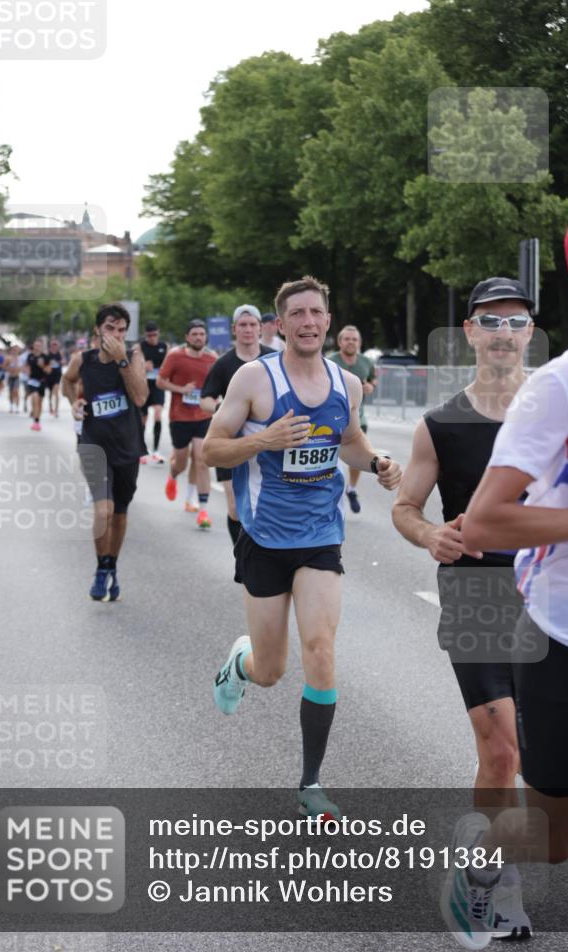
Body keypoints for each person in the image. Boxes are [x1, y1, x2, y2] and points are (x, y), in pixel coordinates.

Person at [440, 195, 568, 949]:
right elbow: (484, 523)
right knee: (551, 836)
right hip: (563, 638)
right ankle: (480, 871)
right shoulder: (563, 387)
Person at [203, 276, 402, 819]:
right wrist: (262, 440)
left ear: (327, 320)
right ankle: (239, 664)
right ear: (280, 323)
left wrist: (379, 463)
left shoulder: (346, 384)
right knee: (272, 669)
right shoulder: (253, 379)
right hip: (264, 538)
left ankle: (311, 782)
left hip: (320, 537)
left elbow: (350, 444)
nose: (309, 322)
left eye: (317, 312)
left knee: (320, 648)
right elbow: (212, 451)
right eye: (298, 314)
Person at [393, 278, 536, 942]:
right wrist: (429, 535)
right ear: (470, 333)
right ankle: (493, 888)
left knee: (536, 756)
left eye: (515, 321)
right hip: (475, 596)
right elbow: (404, 507)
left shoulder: (557, 416)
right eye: (490, 322)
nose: (503, 333)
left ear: (529, 333)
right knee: (502, 753)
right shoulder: (441, 423)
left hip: (552, 600)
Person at [62, 304, 148, 602]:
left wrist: (123, 360)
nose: (116, 334)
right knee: (104, 510)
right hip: (93, 443)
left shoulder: (133, 357)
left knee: (120, 513)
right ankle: (101, 568)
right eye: (111, 328)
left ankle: (112, 563)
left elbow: (139, 396)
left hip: (127, 445)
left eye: (122, 329)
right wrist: (74, 402)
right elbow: (67, 382)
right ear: (98, 329)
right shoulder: (82, 360)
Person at [199, 304, 274, 544]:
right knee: (235, 507)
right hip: (231, 443)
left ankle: (263, 556)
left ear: (260, 328)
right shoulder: (223, 364)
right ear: (234, 329)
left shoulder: (274, 359)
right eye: (243, 325)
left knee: (266, 505)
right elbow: (205, 400)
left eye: (253, 324)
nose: (248, 329)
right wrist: (223, 410)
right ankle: (241, 557)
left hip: (269, 444)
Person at [157, 319, 217, 529]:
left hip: (202, 417)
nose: (198, 337)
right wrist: (181, 390)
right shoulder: (175, 356)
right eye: (194, 334)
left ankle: (201, 509)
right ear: (187, 337)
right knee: (182, 462)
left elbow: (217, 386)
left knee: (201, 459)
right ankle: (173, 475)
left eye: (202, 334)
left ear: (206, 337)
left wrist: (216, 399)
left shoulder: (212, 359)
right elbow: (160, 381)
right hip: (180, 417)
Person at [329, 325, 377, 513]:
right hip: (332, 417)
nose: (351, 342)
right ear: (340, 342)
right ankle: (330, 494)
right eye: (347, 339)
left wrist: (371, 387)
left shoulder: (366, 362)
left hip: (359, 416)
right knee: (332, 458)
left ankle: (352, 489)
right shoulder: (330, 361)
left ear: (360, 343)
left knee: (359, 454)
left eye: (354, 339)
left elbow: (373, 379)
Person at [139, 320, 168, 465]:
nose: (152, 338)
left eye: (155, 335)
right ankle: (141, 449)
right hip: (143, 385)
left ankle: (156, 450)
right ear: (145, 335)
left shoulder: (164, 347)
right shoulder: (139, 347)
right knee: (143, 419)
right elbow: (131, 366)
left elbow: (170, 365)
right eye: (149, 335)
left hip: (157, 385)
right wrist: (142, 366)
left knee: (158, 414)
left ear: (158, 333)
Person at [26, 340, 50, 431]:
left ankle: (37, 421)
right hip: (32, 381)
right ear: (34, 346)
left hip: (42, 381)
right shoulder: (30, 356)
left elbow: (49, 371)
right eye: (36, 345)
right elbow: (28, 367)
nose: (37, 347)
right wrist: (27, 376)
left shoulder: (45, 357)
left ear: (42, 346)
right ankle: (35, 421)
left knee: (39, 402)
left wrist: (42, 366)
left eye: (39, 345)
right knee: (34, 398)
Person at [45, 338, 64, 418]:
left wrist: (60, 362)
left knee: (56, 392)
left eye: (56, 345)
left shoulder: (59, 353)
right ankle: (50, 406)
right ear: (51, 346)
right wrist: (49, 364)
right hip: (49, 375)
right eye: (53, 345)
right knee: (50, 393)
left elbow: (63, 361)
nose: (55, 346)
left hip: (57, 374)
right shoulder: (47, 354)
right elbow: (45, 364)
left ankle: (56, 410)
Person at [4, 345, 22, 412]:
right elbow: (4, 367)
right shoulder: (8, 358)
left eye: (16, 350)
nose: (15, 351)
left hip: (17, 377)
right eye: (14, 350)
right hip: (10, 377)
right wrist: (9, 369)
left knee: (16, 391)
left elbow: (22, 367)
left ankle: (17, 407)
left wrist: (18, 369)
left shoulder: (20, 358)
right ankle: (11, 406)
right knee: (11, 392)